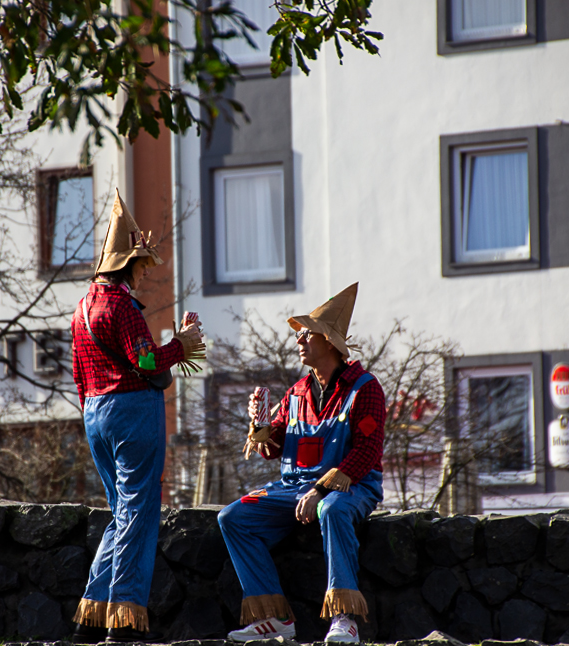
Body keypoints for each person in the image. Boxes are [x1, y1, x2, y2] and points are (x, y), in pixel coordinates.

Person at [70, 189, 204, 644]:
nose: (145, 273)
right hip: (131, 413)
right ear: (127, 264)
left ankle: (93, 609)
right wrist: (180, 346)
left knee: (120, 511)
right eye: (142, 265)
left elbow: (77, 376)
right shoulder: (121, 306)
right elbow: (147, 363)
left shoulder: (82, 307)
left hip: (94, 413)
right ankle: (122, 614)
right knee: (139, 512)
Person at [218, 283, 386, 644]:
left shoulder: (365, 387)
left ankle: (345, 619)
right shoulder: (296, 391)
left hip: (349, 486)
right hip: (293, 489)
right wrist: (260, 428)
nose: (299, 340)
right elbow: (273, 449)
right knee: (232, 518)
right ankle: (275, 620)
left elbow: (368, 453)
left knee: (333, 511)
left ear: (330, 342)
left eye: (308, 333)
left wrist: (320, 488)